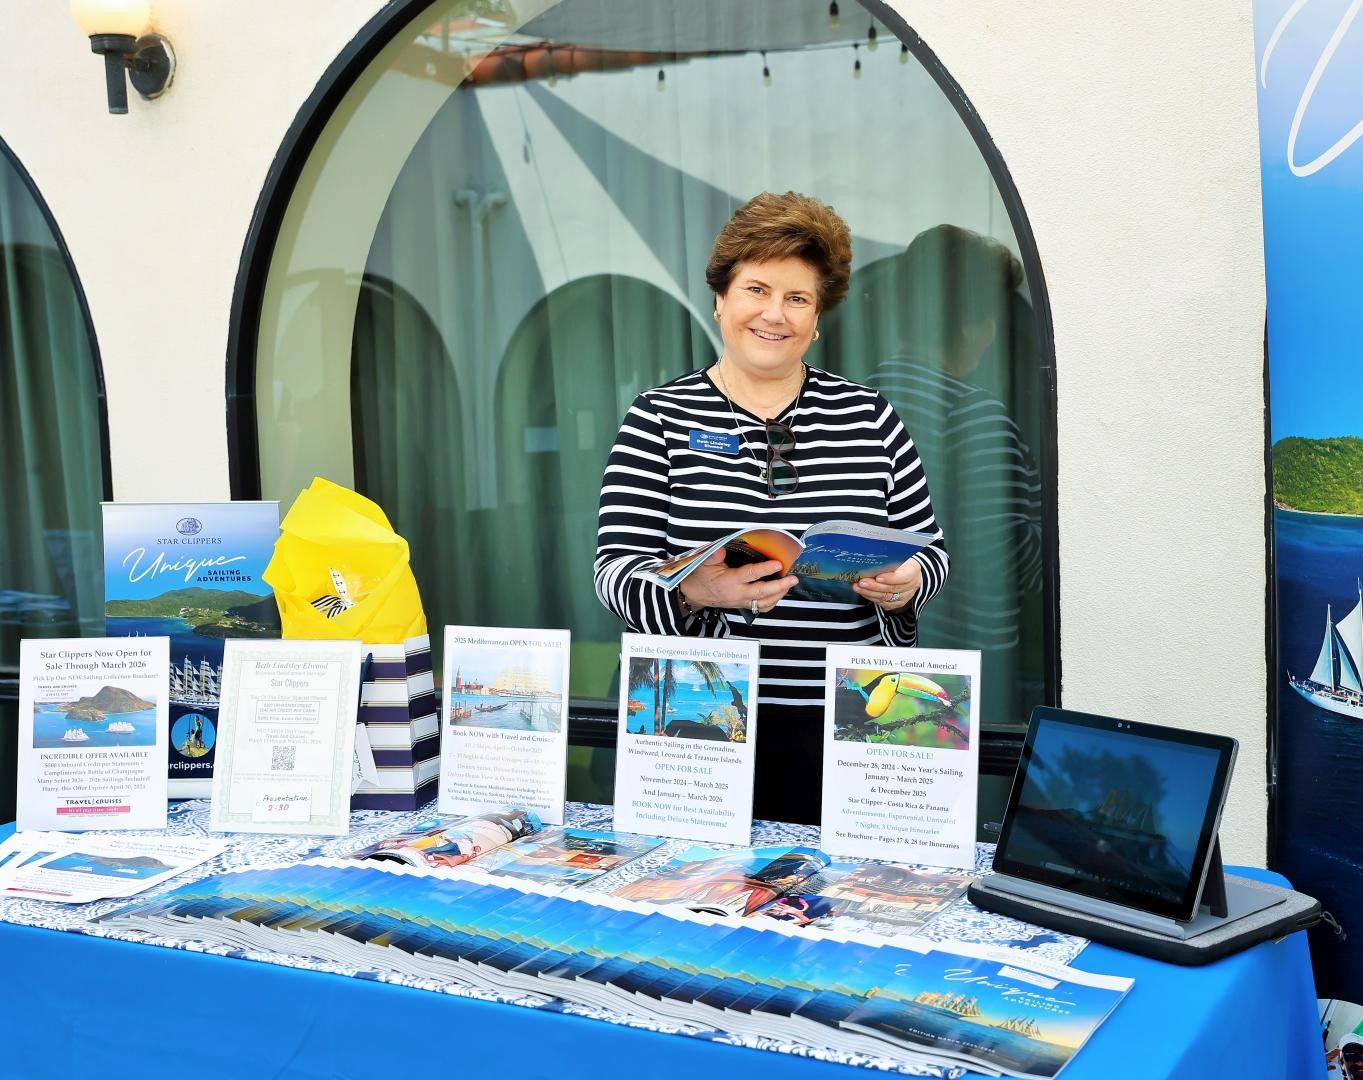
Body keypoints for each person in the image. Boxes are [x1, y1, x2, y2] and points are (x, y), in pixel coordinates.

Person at [594, 191, 949, 825]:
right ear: (721, 300)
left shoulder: (871, 418)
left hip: (852, 717)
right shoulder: (658, 418)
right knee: (695, 878)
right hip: (697, 715)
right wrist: (696, 590)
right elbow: (614, 571)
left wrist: (907, 584)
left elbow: (932, 551)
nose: (774, 314)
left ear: (817, 319)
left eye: (797, 298)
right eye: (756, 290)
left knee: (841, 880)